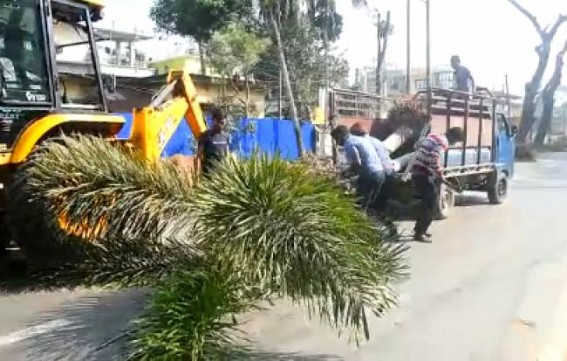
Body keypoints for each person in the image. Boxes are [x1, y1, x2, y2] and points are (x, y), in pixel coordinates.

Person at [411, 127, 464, 241]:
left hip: (417, 171)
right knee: (432, 204)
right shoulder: (443, 142)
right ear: (453, 137)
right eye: (456, 141)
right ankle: (420, 233)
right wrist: (440, 174)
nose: (454, 144)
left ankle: (419, 229)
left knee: (426, 203)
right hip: (422, 174)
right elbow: (434, 159)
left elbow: (417, 146)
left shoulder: (433, 136)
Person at [331, 125, 384, 211]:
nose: (337, 143)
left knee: (359, 203)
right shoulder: (359, 139)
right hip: (380, 173)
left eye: (337, 139)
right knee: (368, 204)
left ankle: (360, 221)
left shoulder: (349, 143)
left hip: (370, 175)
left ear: (341, 135)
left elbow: (357, 164)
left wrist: (343, 175)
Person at [350, 123, 396, 213]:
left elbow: (361, 163)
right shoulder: (376, 140)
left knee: (363, 201)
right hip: (390, 174)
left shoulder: (362, 143)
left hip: (379, 174)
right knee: (379, 207)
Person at [197, 107, 231, 175]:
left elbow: (227, 155)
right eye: (221, 123)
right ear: (215, 121)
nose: (222, 126)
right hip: (208, 175)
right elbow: (199, 156)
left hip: (222, 175)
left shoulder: (226, 136)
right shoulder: (205, 135)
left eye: (224, 123)